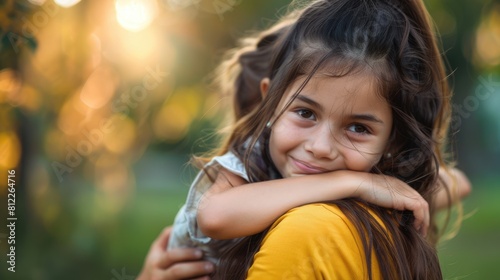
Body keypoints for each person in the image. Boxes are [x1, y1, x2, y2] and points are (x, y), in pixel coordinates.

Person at [139, 0, 472, 278]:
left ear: (392, 141)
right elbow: (213, 217)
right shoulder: (247, 159)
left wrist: (401, 188)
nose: (320, 147)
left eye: (358, 128)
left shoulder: (360, 171)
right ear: (271, 102)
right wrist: (351, 182)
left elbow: (456, 183)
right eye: (306, 113)